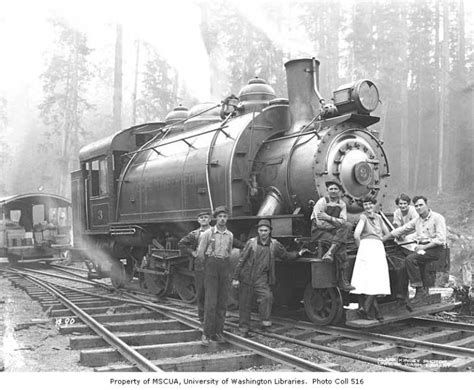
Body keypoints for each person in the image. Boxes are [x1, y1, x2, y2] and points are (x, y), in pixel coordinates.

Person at [231, 219, 304, 337]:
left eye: (265, 230)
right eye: (261, 230)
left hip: (261, 277)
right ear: (258, 231)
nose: (263, 233)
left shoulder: (275, 244)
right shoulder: (251, 243)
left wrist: (298, 254)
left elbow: (285, 256)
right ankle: (243, 329)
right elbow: (241, 260)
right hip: (247, 276)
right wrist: (235, 278)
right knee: (245, 303)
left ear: (270, 231)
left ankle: (265, 322)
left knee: (267, 297)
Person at [383, 195, 447, 304]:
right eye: (416, 206)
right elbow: (402, 229)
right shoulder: (417, 220)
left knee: (410, 259)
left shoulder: (437, 218)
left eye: (421, 205)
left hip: (435, 249)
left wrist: (424, 247)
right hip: (422, 248)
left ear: (427, 205)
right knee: (403, 265)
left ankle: (419, 291)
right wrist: (383, 238)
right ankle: (401, 296)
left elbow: (440, 239)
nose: (418, 208)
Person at [196, 205, 234, 346]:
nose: (222, 219)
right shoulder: (207, 234)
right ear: (215, 218)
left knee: (222, 302)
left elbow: (229, 252)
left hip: (224, 267)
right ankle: (206, 334)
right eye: (220, 217)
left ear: (227, 218)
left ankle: (218, 332)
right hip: (210, 268)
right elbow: (200, 254)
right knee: (210, 302)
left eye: (225, 216)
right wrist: (207, 269)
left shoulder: (230, 235)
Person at [350, 197, 391, 320]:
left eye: (370, 204)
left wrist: (377, 240)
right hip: (369, 247)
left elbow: (387, 232)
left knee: (373, 280)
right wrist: (362, 247)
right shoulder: (363, 217)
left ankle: (367, 309)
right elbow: (356, 235)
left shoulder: (378, 217)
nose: (368, 207)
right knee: (374, 279)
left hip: (373, 246)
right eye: (366, 205)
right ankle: (373, 311)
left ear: (374, 205)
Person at [310, 180, 354, 291]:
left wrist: (328, 218)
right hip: (319, 232)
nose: (333, 191)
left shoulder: (342, 204)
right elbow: (320, 223)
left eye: (335, 189)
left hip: (333, 232)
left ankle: (330, 253)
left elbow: (344, 222)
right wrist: (335, 223)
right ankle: (342, 281)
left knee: (348, 226)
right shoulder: (322, 202)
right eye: (331, 189)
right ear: (327, 190)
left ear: (339, 191)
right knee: (341, 245)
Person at [178, 210, 212, 325]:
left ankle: (211, 317)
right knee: (201, 292)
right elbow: (181, 244)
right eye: (201, 217)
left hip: (214, 265)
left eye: (206, 217)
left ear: (210, 219)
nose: (203, 219)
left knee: (213, 292)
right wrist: (192, 253)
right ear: (198, 220)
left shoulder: (216, 232)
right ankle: (202, 318)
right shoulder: (194, 234)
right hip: (200, 266)